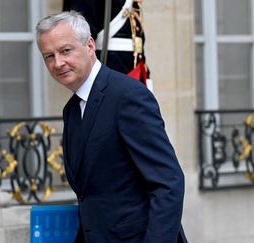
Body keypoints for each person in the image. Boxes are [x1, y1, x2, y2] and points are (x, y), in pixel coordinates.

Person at [36, 11, 187, 243]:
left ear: (89, 45)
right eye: (49, 56)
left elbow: (168, 183)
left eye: (66, 51)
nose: (58, 63)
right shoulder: (72, 109)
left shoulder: (128, 95)